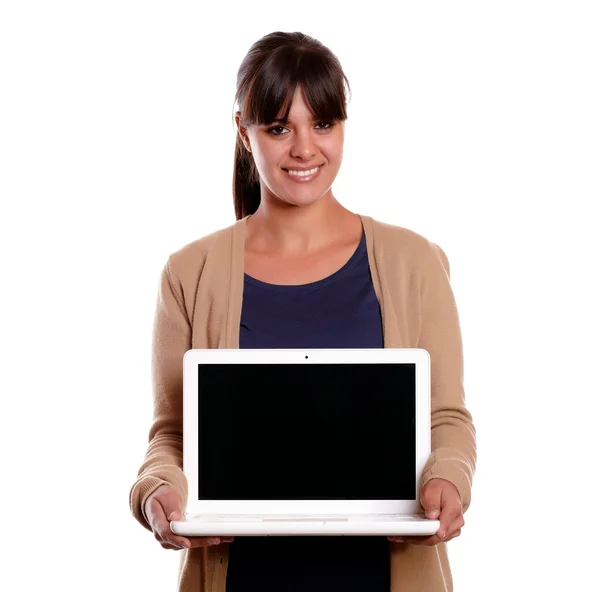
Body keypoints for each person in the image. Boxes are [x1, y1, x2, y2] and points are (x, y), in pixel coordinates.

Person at [129, 31, 477, 592]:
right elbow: (172, 434)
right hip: (243, 576)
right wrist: (159, 490)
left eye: (322, 124)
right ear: (243, 131)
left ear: (343, 126)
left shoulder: (415, 262)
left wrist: (449, 480)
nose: (304, 148)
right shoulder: (189, 273)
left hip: (381, 576)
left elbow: (446, 419)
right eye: (278, 127)